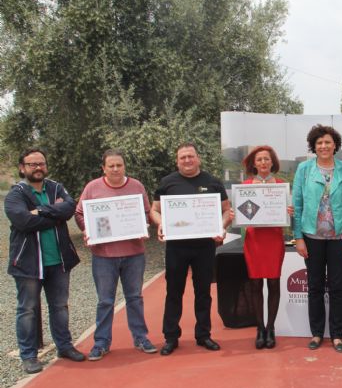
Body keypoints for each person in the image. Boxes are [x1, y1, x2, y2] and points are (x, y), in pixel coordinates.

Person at [4, 149, 85, 374]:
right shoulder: (15, 194)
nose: (37, 167)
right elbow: (23, 222)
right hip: (28, 263)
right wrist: (54, 215)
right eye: (32, 164)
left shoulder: (56, 187)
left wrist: (39, 211)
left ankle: (64, 346)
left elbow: (69, 208)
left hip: (58, 261)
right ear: (22, 168)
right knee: (27, 309)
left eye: (41, 163)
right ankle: (28, 356)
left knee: (60, 306)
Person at [150, 142, 232, 355]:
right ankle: (170, 337)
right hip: (176, 247)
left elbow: (226, 211)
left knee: (203, 292)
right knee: (174, 292)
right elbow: (155, 210)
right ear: (177, 161)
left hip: (205, 247)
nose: (187, 160)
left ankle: (203, 335)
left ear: (198, 158)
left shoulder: (212, 182)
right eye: (182, 157)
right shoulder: (167, 183)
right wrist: (160, 223)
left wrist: (221, 228)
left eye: (190, 156)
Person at [75, 149, 157, 361]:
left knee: (135, 298)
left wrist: (143, 226)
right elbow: (80, 213)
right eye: (110, 165)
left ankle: (140, 337)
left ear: (124, 166)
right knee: (105, 301)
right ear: (103, 168)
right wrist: (88, 230)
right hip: (104, 255)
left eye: (119, 165)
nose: (115, 169)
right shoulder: (92, 188)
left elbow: (146, 212)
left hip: (133, 253)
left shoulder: (137, 186)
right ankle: (101, 342)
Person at [292, 125, 342, 353]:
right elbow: (298, 204)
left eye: (328, 142)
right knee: (315, 287)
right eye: (319, 143)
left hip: (340, 238)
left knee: (337, 287)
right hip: (311, 238)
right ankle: (317, 333)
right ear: (314, 146)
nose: (324, 146)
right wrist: (297, 237)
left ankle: (337, 335)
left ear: (335, 145)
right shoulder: (303, 169)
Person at [241, 145, 292, 349]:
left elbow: (288, 213)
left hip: (273, 239)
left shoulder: (281, 185)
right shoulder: (245, 186)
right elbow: (244, 212)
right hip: (254, 240)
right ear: (254, 163)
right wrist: (238, 214)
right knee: (255, 285)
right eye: (259, 159)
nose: (263, 162)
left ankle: (271, 328)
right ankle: (259, 328)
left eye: (266, 159)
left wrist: (289, 210)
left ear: (272, 163)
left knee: (273, 283)